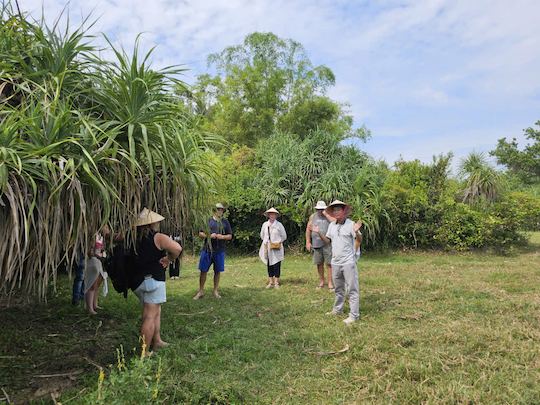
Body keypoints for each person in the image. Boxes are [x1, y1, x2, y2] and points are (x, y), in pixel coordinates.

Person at [130, 208, 182, 355]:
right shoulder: (158, 237)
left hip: (138, 282)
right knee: (149, 316)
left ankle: (157, 341)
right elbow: (177, 248)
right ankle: (144, 352)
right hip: (153, 281)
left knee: (155, 310)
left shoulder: (131, 237)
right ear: (152, 223)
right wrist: (169, 259)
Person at [312, 200, 362, 325]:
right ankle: (337, 309)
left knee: (352, 289)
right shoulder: (332, 225)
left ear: (344, 211)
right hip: (335, 262)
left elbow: (359, 240)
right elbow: (328, 241)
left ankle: (354, 315)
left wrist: (356, 231)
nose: (336, 212)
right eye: (334, 210)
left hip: (348, 262)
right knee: (338, 289)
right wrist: (318, 232)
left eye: (339, 209)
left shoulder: (351, 224)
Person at [193, 203, 233, 300]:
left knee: (217, 271)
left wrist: (222, 237)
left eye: (221, 210)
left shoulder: (225, 222)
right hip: (207, 250)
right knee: (203, 270)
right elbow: (200, 233)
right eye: (218, 209)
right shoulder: (208, 221)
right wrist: (209, 236)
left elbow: (230, 236)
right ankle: (201, 291)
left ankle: (215, 291)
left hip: (219, 251)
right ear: (214, 210)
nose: (220, 211)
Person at [305, 200, 334, 290]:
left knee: (329, 263)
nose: (320, 211)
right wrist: (308, 241)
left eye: (322, 209)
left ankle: (330, 283)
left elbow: (335, 222)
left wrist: (326, 214)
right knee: (319, 263)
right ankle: (321, 281)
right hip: (316, 243)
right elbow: (308, 229)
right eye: (318, 209)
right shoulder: (313, 217)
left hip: (327, 243)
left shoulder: (329, 216)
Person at [259, 207, 287, 289]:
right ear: (268, 215)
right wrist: (267, 242)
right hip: (267, 247)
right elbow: (262, 235)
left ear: (276, 215)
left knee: (277, 264)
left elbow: (284, 236)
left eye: (273, 214)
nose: (272, 215)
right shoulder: (265, 224)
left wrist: (278, 242)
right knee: (269, 264)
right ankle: (271, 281)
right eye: (270, 214)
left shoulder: (279, 225)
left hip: (277, 247)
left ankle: (276, 282)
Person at [84, 227, 110, 315]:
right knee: (92, 285)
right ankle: (89, 307)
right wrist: (98, 256)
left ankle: (95, 304)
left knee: (96, 285)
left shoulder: (102, 237)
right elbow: (90, 251)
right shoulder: (93, 236)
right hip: (94, 261)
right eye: (106, 227)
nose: (107, 229)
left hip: (101, 261)